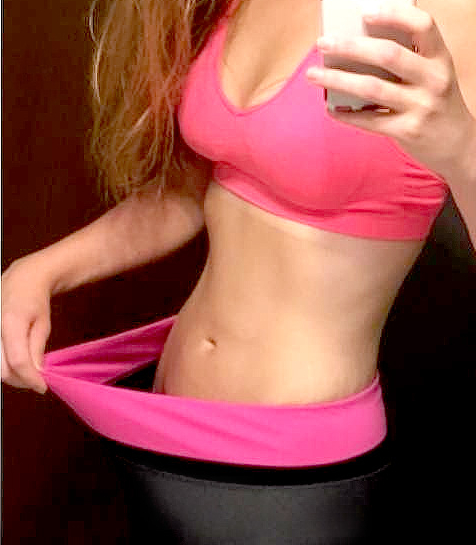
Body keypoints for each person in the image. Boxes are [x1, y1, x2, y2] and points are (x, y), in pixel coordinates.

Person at [2, 0, 475, 542]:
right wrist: (40, 270)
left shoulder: (455, 16)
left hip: (292, 463)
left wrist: (461, 145)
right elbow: (184, 197)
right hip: (159, 419)